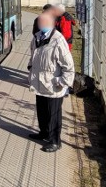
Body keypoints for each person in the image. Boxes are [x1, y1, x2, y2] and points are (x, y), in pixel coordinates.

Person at [27, 11, 75, 152]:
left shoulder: (58, 41)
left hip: (53, 86)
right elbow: (33, 55)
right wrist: (30, 68)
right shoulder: (37, 37)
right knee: (42, 111)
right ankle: (44, 133)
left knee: (53, 114)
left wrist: (61, 82)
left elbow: (69, 67)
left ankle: (55, 141)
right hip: (39, 83)